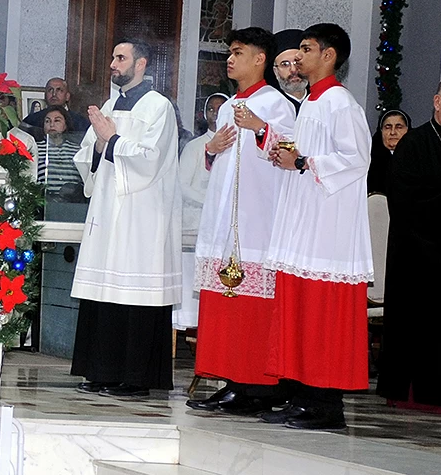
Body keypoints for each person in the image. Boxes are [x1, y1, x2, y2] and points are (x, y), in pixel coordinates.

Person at [263, 23, 372, 430]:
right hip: (304, 222)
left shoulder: (340, 103)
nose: (299, 56)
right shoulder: (310, 102)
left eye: (306, 48)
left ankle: (326, 406)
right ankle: (303, 397)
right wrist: (286, 154)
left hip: (329, 230)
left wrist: (305, 162)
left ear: (329, 55)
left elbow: (358, 158)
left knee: (322, 317)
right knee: (300, 314)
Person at [187, 28, 296, 415]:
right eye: (229, 53)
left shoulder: (277, 105)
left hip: (257, 222)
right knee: (223, 308)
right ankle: (230, 381)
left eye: (238, 52)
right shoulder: (226, 105)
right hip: (223, 222)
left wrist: (260, 128)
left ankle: (256, 387)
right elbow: (217, 160)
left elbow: (290, 155)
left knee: (251, 309)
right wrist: (211, 149)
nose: (230, 59)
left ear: (259, 59)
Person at [71, 41, 181, 397]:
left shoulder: (159, 107)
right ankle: (102, 370)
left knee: (135, 291)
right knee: (105, 290)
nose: (113, 64)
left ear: (142, 63)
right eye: (113, 57)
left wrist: (112, 139)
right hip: (107, 210)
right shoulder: (108, 105)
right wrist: (102, 143)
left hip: (142, 214)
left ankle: (135, 378)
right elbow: (87, 153)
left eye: (121, 58)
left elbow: (152, 158)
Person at [377, 77, 441, 411]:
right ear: (437, 101)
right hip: (421, 256)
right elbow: (404, 202)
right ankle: (418, 396)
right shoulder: (414, 144)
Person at [173, 92, 225, 332]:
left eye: (221, 108)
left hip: (223, 228)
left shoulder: (238, 146)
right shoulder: (195, 146)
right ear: (205, 114)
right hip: (194, 223)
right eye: (211, 109)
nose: (215, 113)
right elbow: (181, 185)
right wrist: (211, 202)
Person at [35, 106, 82, 199]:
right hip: (43, 204)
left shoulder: (77, 150)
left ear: (65, 125)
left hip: (73, 205)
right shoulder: (35, 148)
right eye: (47, 121)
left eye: (57, 121)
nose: (51, 125)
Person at [24, 77, 89, 136]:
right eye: (50, 90)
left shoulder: (81, 122)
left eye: (59, 90)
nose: (54, 94)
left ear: (67, 96)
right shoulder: (31, 121)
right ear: (45, 95)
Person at [367, 109, 411, 195]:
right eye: (387, 127)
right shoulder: (369, 161)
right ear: (381, 131)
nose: (393, 132)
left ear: (408, 130)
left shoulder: (417, 159)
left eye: (399, 127)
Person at [271, 29, 307, 110]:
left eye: (297, 62)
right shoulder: (269, 105)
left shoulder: (322, 101)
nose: (293, 70)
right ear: (276, 72)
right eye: (285, 64)